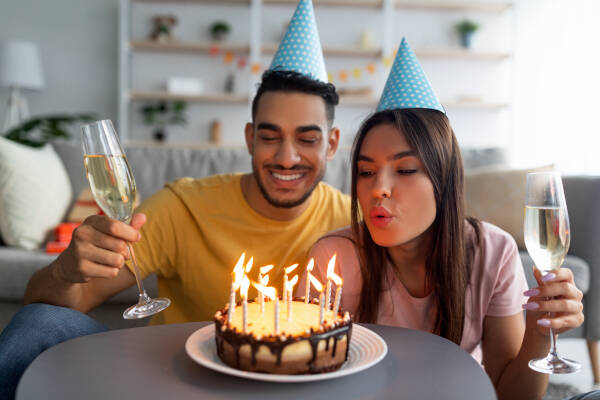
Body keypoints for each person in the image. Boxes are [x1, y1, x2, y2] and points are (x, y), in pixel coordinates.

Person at [0, 1, 350, 398]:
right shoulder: (184, 207)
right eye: (270, 137)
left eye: (307, 139)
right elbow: (51, 304)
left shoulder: (352, 221)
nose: (287, 157)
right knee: (40, 323)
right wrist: (65, 271)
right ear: (250, 138)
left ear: (332, 143)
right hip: (168, 381)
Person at [297, 38, 584, 400]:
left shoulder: (492, 252)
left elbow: (511, 396)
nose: (377, 189)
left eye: (404, 169)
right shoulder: (334, 259)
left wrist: (540, 333)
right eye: (366, 172)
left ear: (444, 178)